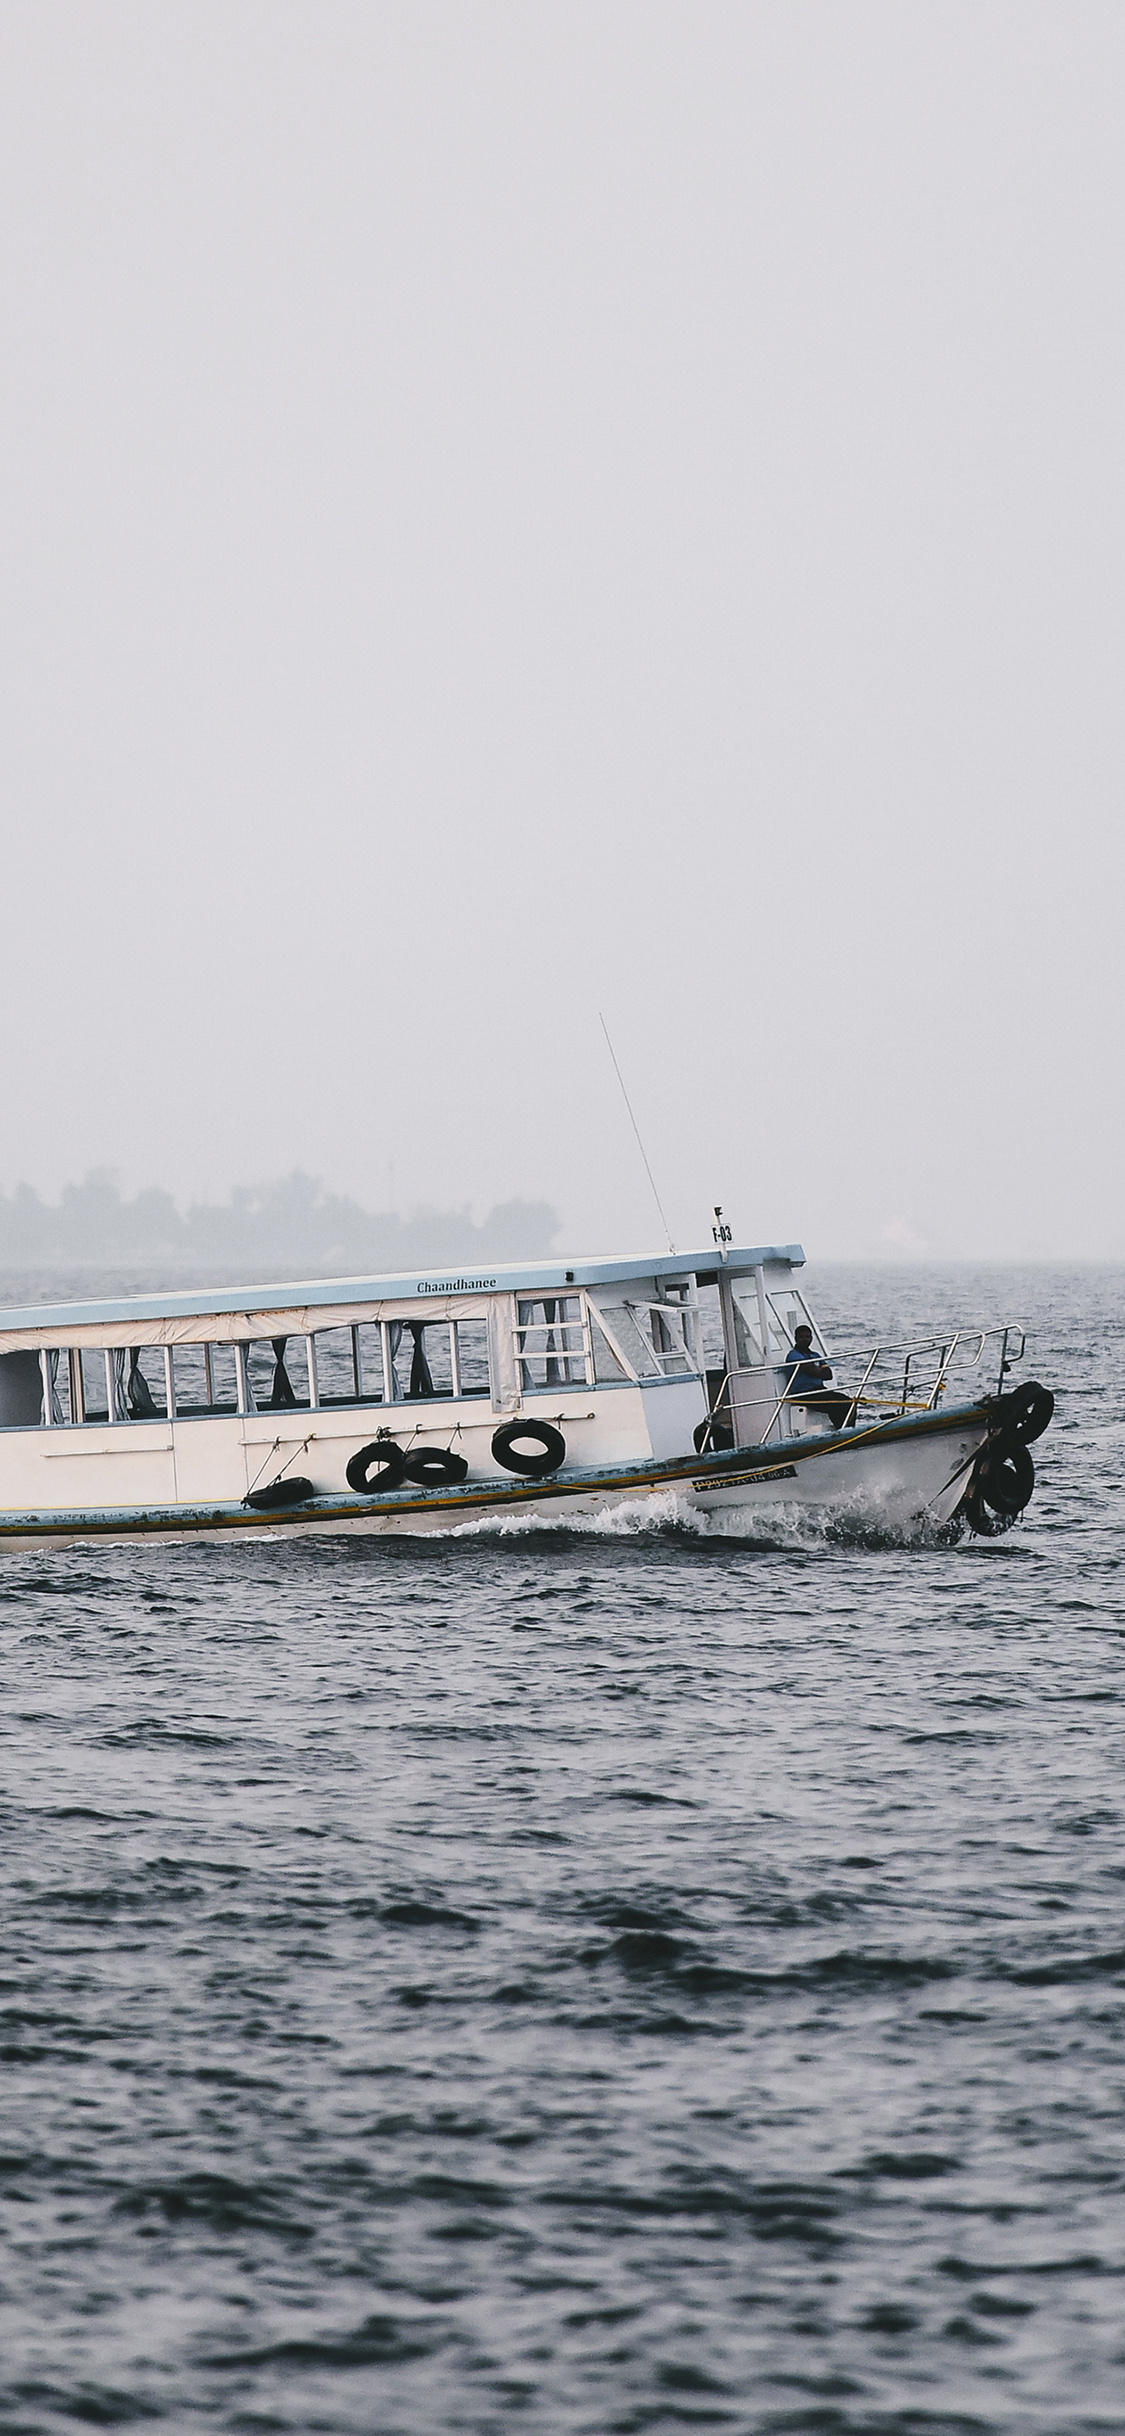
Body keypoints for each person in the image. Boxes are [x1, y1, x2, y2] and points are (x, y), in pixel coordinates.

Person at [783, 1325, 852, 1431]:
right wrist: (818, 1370)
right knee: (836, 1405)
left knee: (849, 1402)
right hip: (804, 1394)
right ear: (796, 1339)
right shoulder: (793, 1356)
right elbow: (812, 1370)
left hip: (819, 1390)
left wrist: (818, 1370)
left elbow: (828, 1375)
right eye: (801, 1337)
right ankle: (843, 1431)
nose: (805, 1340)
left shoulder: (815, 1355)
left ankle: (848, 1430)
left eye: (807, 1337)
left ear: (811, 1338)